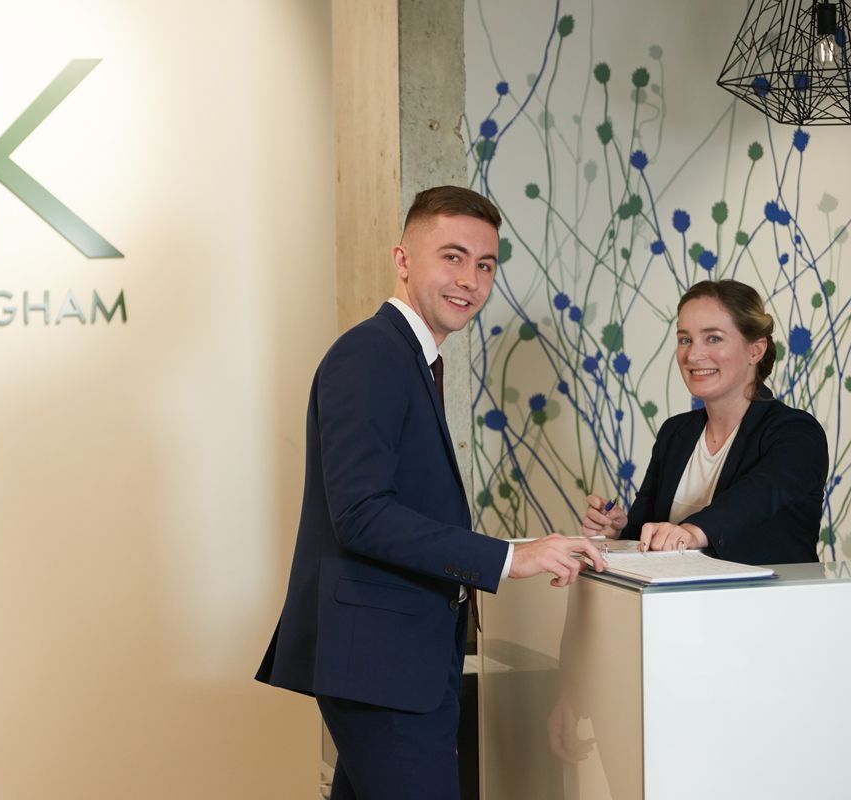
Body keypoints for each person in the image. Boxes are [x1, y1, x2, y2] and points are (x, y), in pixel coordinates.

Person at [256, 186, 607, 799]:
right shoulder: (370, 355)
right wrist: (508, 556)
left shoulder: (410, 360)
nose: (469, 279)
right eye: (452, 256)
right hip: (381, 667)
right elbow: (361, 514)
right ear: (403, 260)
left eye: (485, 264)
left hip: (396, 662)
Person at [582, 279, 828, 564]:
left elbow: (751, 502)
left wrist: (690, 532)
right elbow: (646, 535)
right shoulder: (675, 433)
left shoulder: (796, 433)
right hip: (681, 605)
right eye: (685, 339)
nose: (694, 355)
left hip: (769, 605)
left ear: (755, 350)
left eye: (713, 338)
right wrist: (618, 529)